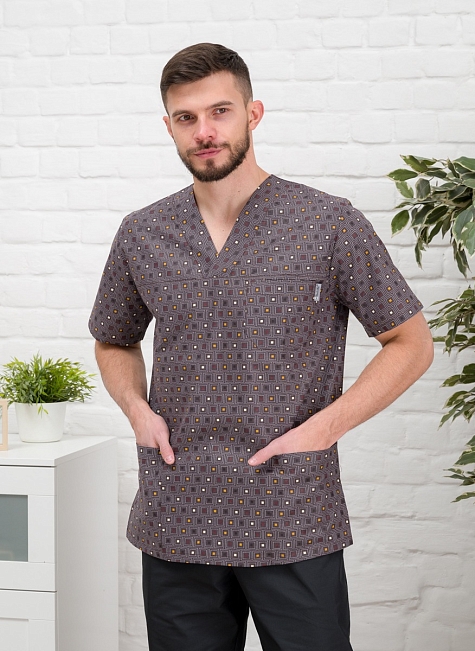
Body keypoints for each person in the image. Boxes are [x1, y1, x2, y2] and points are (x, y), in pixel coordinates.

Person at [89, 43, 433, 651]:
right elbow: (113, 339)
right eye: (186, 117)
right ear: (169, 126)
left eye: (220, 111)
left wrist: (325, 429)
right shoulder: (143, 233)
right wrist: (136, 410)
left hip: (292, 510)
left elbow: (410, 342)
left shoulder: (328, 222)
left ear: (253, 113)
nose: (204, 131)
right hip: (177, 512)